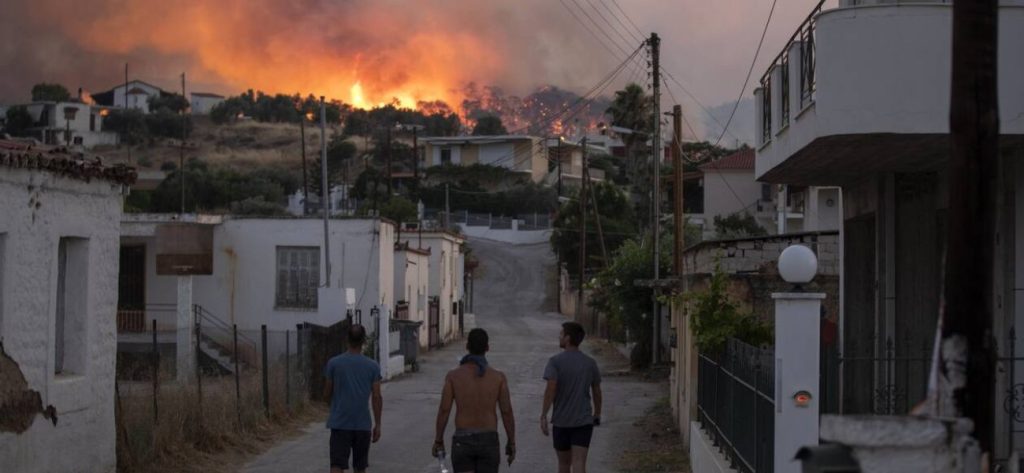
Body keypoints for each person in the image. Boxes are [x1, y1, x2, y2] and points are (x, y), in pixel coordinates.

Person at [433, 328, 516, 473]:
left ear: (467, 347)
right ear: (487, 348)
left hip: (463, 440)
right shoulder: (498, 378)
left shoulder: (453, 376)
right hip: (489, 440)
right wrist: (511, 441)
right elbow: (506, 412)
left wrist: (438, 440)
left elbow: (444, 410)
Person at [540, 322, 602, 473]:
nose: (559, 337)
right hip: (583, 421)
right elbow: (597, 391)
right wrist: (597, 414)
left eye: (561, 334)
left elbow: (551, 389)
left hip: (561, 422)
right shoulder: (590, 363)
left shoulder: (555, 362)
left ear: (567, 338)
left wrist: (544, 414)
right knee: (579, 462)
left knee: (563, 464)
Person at [324, 324, 383, 473]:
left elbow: (326, 393)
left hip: (340, 423)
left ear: (347, 340)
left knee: (336, 465)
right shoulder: (373, 366)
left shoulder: (334, 364)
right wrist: (378, 424)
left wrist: (333, 405)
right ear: (364, 341)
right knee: (360, 467)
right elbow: (376, 396)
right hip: (362, 425)